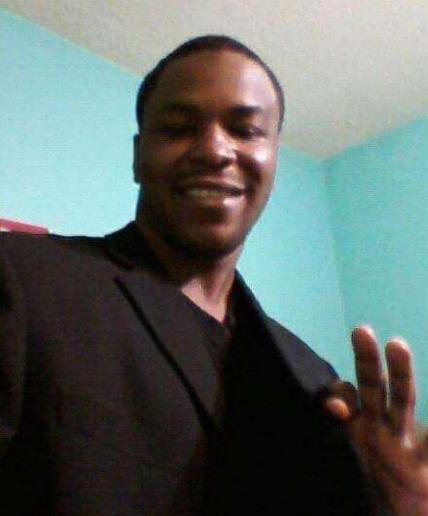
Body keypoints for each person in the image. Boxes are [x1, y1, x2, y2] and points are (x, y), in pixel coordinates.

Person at [0, 35, 427, 516]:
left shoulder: (314, 381)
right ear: (139, 156)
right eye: (179, 128)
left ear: (273, 160)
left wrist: (395, 506)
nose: (213, 150)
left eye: (246, 130)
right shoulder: (22, 278)